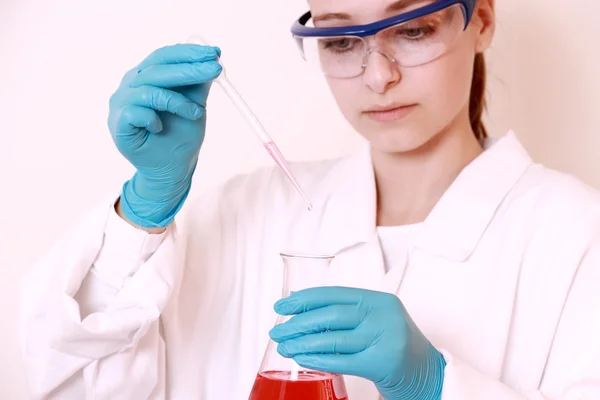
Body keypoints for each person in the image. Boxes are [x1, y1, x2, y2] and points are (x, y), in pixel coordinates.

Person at [18, 0, 600, 398]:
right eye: (342, 40)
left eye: (413, 30)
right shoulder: (244, 212)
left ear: (483, 20)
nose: (378, 77)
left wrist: (437, 385)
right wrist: (142, 213)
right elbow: (70, 382)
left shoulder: (575, 234)